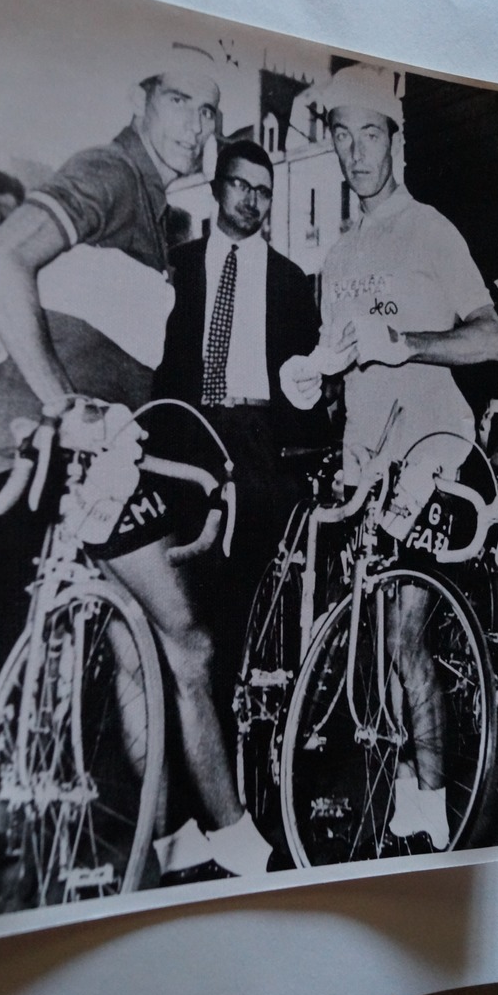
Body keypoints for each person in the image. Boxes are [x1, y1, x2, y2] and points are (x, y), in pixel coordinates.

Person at [0, 45, 272, 884]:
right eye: (180, 101)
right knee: (187, 639)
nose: (197, 126)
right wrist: (65, 405)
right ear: (141, 100)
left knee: (144, 647)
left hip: (95, 446)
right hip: (63, 438)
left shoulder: (155, 212)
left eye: (210, 112)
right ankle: (231, 834)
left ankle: (165, 835)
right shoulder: (107, 171)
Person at [280, 63, 498, 851]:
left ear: (393, 142)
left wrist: (407, 342)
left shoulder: (431, 230)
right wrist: (312, 377)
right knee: (370, 633)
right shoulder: (338, 255)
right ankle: (401, 787)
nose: (355, 151)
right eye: (342, 137)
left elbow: (493, 335)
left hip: (433, 452)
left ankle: (432, 802)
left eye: (369, 134)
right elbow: (337, 360)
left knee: (404, 631)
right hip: (364, 465)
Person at [155, 139, 329, 655]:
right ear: (215, 188)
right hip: (186, 437)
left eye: (263, 191)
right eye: (240, 185)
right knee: (184, 600)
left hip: (258, 445)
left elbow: (308, 384)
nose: (252, 200)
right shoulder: (176, 268)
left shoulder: (291, 281)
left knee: (251, 602)